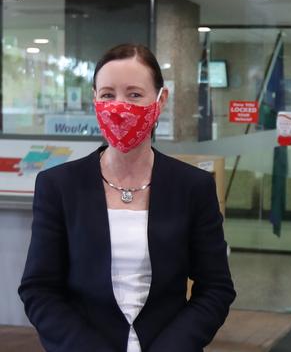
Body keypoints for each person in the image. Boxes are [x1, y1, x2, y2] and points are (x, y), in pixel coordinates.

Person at [18, 44, 236, 352]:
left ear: (161, 100)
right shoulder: (59, 186)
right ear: (94, 99)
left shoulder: (192, 187)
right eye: (108, 94)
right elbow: (39, 290)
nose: (119, 107)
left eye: (134, 94)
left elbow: (215, 289)